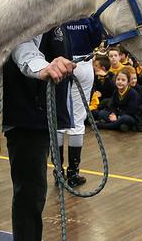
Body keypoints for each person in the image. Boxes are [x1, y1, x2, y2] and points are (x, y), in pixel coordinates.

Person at [2, 27, 76, 241]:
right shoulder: (30, 10)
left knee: (34, 193)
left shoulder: (59, 17)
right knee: (30, 194)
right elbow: (20, 43)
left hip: (42, 115)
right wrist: (42, 67)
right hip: (27, 116)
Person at [56, 19, 101, 188]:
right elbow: (96, 38)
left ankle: (58, 172)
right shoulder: (88, 16)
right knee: (78, 120)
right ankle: (73, 173)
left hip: (59, 64)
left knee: (59, 119)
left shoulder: (61, 12)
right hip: (83, 64)